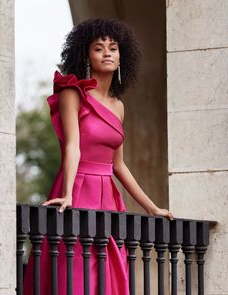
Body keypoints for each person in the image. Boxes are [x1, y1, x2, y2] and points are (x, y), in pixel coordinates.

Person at [23, 18, 174, 295]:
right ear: (85, 55)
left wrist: (151, 207)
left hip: (109, 199)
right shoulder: (73, 93)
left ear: (121, 56)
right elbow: (72, 147)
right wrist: (68, 194)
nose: (107, 53)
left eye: (113, 48)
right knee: (73, 277)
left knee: (107, 280)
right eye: (98, 48)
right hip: (78, 189)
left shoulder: (119, 106)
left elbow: (119, 165)